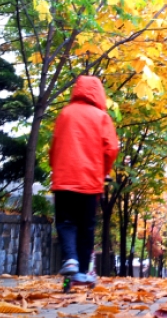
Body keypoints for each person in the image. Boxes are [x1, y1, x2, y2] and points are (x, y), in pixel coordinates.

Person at [50, 75, 119, 286]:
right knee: (86, 226)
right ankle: (81, 271)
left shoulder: (65, 114)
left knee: (65, 222)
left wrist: (56, 168)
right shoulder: (101, 116)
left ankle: (70, 259)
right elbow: (112, 148)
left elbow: (53, 147)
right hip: (90, 181)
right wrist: (104, 172)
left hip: (63, 180)